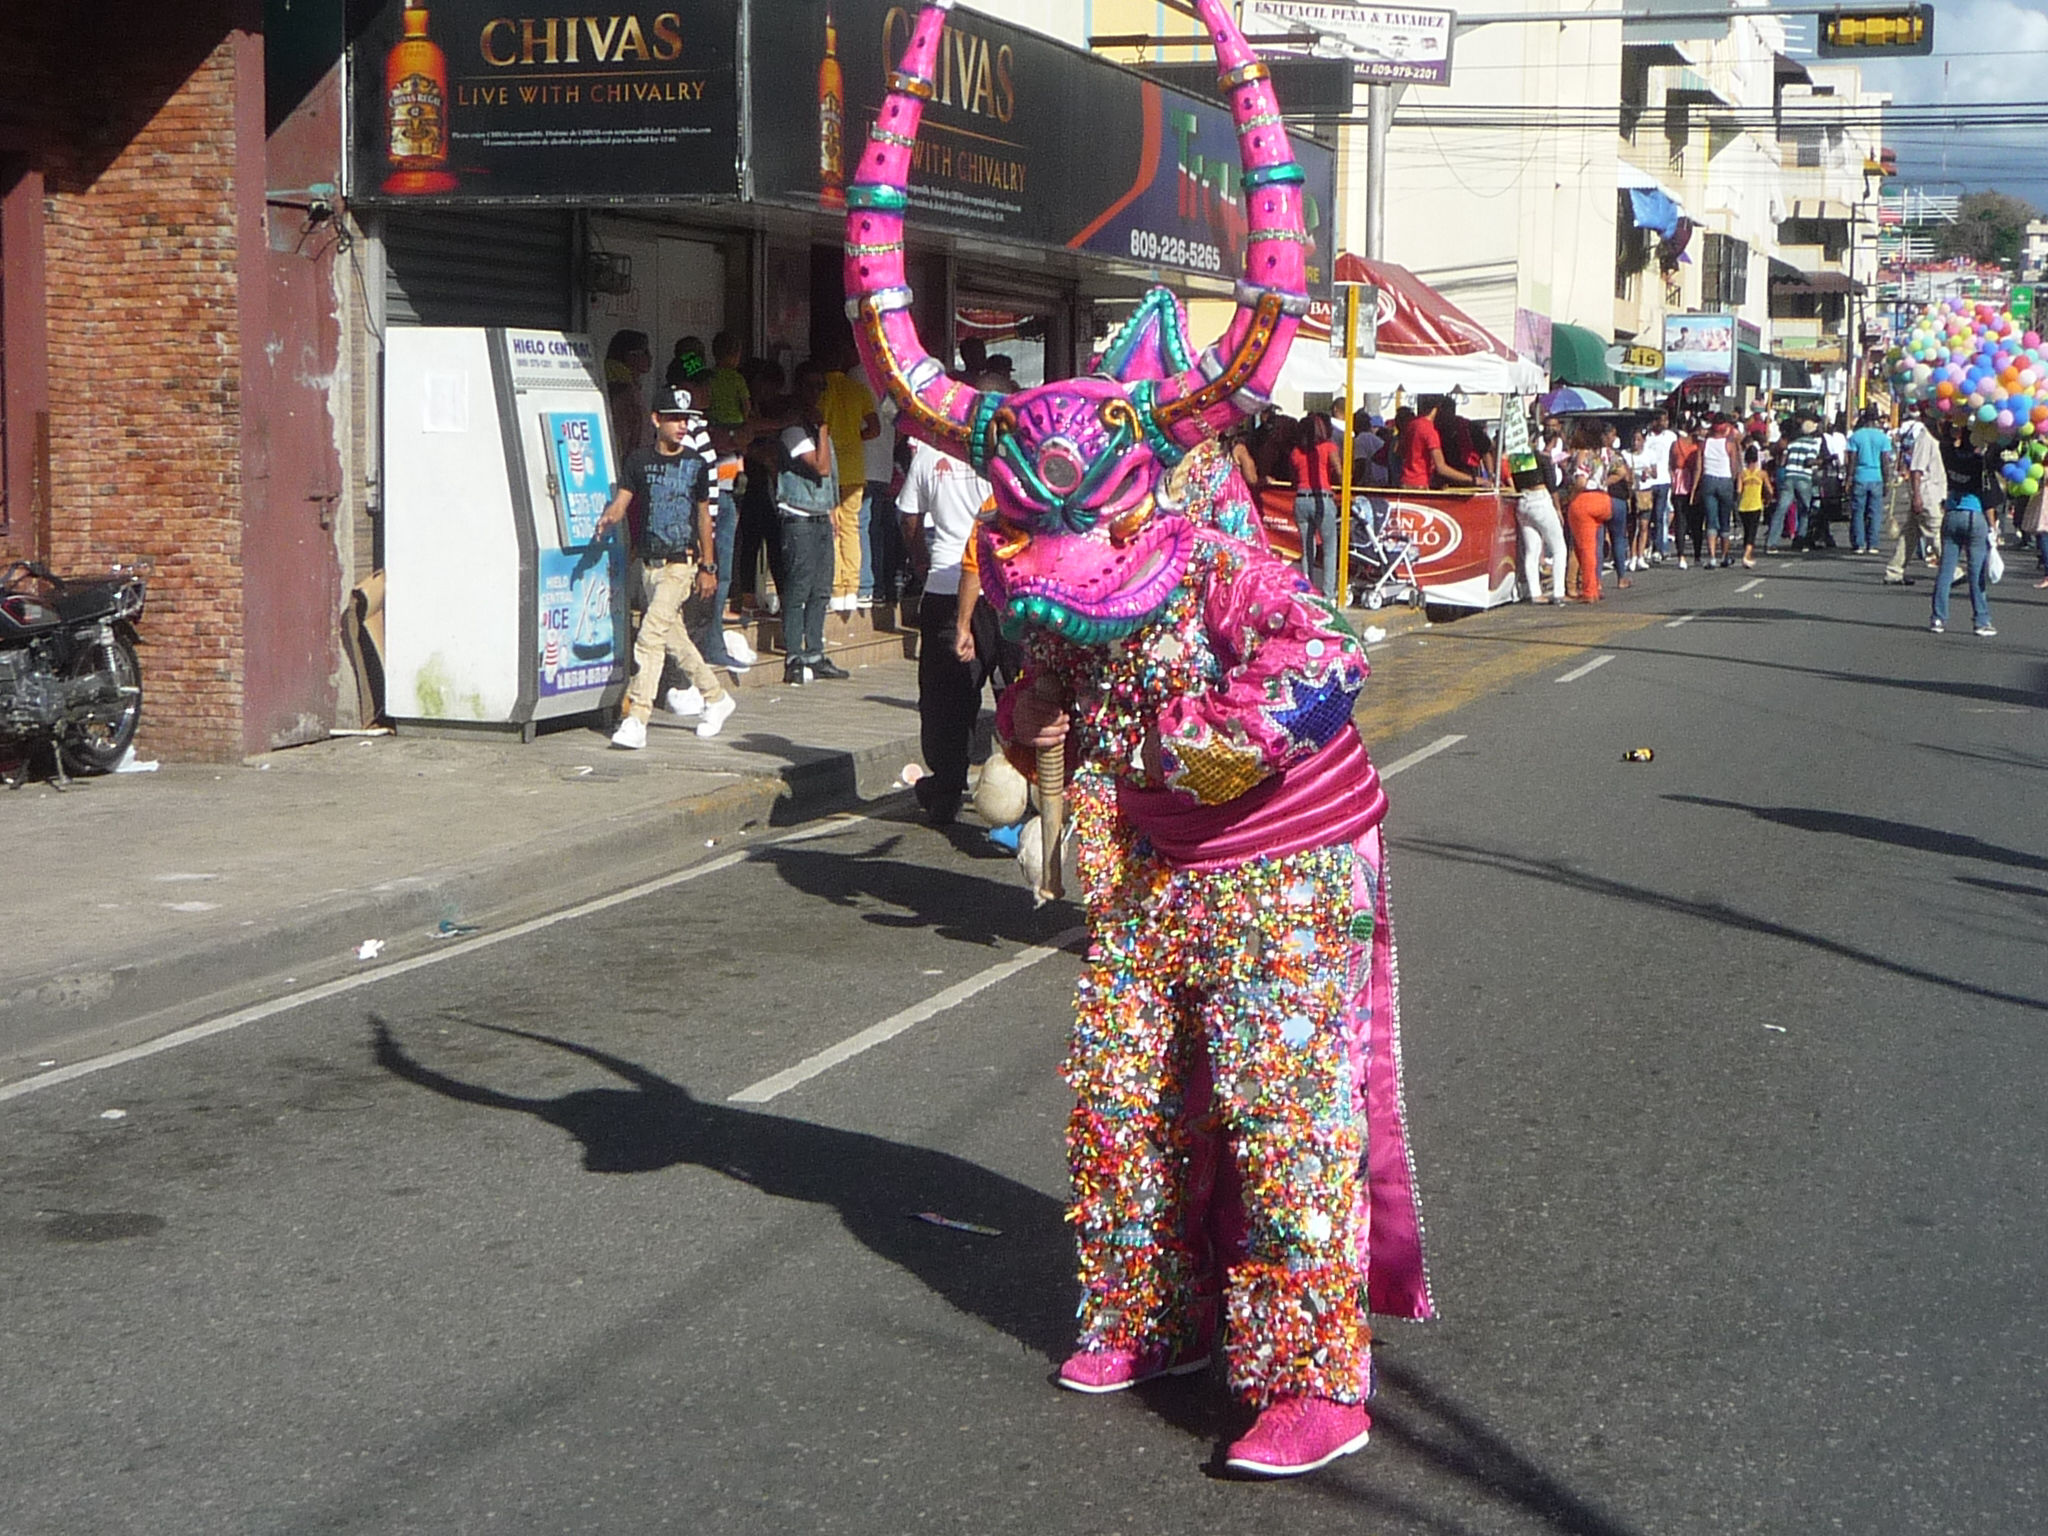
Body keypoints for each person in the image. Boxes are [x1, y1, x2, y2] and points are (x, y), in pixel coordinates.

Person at [597, 383, 736, 749]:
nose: (681, 426)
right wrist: (609, 518)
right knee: (676, 641)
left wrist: (708, 566)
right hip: (648, 565)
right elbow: (623, 501)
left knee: (649, 636)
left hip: (681, 565)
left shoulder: (696, 464)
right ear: (656, 419)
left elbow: (704, 517)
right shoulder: (639, 461)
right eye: (673, 418)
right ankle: (717, 697)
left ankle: (637, 717)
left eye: (685, 420)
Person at [898, 434, 1010, 825]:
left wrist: (920, 561)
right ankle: (1027, 794)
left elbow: (909, 516)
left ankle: (946, 788)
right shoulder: (1010, 455)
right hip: (1004, 593)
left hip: (949, 587)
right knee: (1012, 691)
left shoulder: (929, 455)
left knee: (946, 699)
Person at [775, 364, 849, 683]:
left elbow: (831, 476)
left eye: (822, 388)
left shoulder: (820, 430)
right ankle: (794, 654)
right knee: (799, 587)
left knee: (821, 589)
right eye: (811, 387)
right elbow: (819, 468)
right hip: (799, 518)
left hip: (820, 516)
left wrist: (833, 511)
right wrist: (820, 428)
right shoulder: (795, 430)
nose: (817, 394)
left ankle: (815, 652)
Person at [819, 341, 883, 613]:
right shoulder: (858, 390)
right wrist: (856, 438)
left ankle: (835, 587)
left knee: (831, 527)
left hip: (829, 466)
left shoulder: (821, 390)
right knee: (851, 527)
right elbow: (875, 428)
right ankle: (852, 589)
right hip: (856, 466)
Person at [1886, 407, 1947, 587]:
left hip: (1936, 491)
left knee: (1910, 534)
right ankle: (1951, 570)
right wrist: (1917, 496)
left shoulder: (1939, 439)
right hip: (1927, 492)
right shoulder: (1925, 438)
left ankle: (1894, 571)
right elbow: (1916, 470)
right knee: (1935, 530)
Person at [1563, 419, 1620, 601]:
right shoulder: (1606, 454)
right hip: (1603, 500)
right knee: (1592, 546)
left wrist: (1571, 497)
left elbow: (1580, 481)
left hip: (1584, 500)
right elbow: (1622, 472)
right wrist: (1604, 482)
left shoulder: (1583, 454)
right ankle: (1595, 584)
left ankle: (1589, 591)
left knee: (1585, 549)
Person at [1289, 412, 1343, 600]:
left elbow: (1293, 480)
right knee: (1329, 548)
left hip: (1301, 499)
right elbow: (1339, 472)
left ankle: (1307, 590)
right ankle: (1328, 593)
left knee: (1307, 549)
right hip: (1322, 497)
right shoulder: (1328, 447)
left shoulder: (1296, 452)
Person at [1930, 493, 1996, 637]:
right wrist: (1992, 526)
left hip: (1952, 513)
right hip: (1974, 514)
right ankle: (1981, 621)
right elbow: (1989, 499)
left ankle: (1938, 618)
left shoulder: (1953, 470)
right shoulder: (1980, 473)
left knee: (1946, 570)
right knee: (1976, 572)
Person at [1513, 441, 1566, 603]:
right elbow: (1552, 486)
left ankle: (1535, 592)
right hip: (1540, 500)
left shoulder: (1517, 459)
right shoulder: (1541, 458)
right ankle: (1558, 592)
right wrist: (1557, 509)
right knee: (1559, 548)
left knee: (1532, 550)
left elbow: (1516, 483)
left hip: (1522, 501)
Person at [1844, 408, 1893, 554]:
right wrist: (1886, 481)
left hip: (1860, 476)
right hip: (1876, 477)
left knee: (1858, 511)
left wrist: (1849, 478)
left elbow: (1851, 460)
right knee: (1875, 512)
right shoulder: (1883, 437)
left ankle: (1859, 544)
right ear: (1876, 420)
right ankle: (1873, 544)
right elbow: (1885, 462)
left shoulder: (1855, 436)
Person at [1398, 396, 1475, 489]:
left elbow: (1400, 452)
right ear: (1438, 408)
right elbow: (1441, 468)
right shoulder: (1430, 431)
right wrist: (1472, 479)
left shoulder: (1411, 425)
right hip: (1420, 484)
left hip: (1405, 481)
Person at [1774, 419, 1822, 552]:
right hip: (1803, 478)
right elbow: (1809, 461)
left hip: (1789, 476)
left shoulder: (1793, 443)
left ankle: (1771, 542)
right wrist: (1820, 462)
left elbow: (1783, 461)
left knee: (1781, 509)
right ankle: (1800, 540)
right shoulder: (1813, 444)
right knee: (1804, 510)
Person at [1697, 414, 1738, 568]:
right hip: (1725, 480)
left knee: (1711, 521)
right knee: (1725, 520)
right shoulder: (1729, 444)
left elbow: (1699, 466)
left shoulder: (1705, 443)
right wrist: (1733, 482)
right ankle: (1724, 556)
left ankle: (1712, 557)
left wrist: (1697, 485)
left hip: (1708, 479)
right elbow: (1734, 466)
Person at [1639, 410, 1677, 562]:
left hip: (1663, 480)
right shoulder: (1646, 437)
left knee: (1660, 515)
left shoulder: (1670, 437)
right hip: (1648, 482)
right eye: (1662, 420)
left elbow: (1674, 456)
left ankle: (1659, 548)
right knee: (1646, 517)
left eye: (1666, 420)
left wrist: (1672, 472)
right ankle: (1645, 545)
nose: (1665, 423)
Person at [1670, 417, 1703, 569]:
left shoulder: (1676, 444)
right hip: (1693, 484)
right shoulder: (1698, 447)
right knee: (1696, 521)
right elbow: (1698, 468)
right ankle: (1697, 555)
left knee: (1680, 521)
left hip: (1678, 484)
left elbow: (1671, 465)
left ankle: (1681, 555)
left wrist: (1672, 480)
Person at [1735, 441, 1771, 569]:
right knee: (1752, 533)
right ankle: (1746, 555)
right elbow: (1769, 490)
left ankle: (1748, 556)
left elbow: (1738, 491)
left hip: (1743, 506)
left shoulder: (1742, 474)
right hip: (1756, 505)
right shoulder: (1762, 474)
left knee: (1747, 531)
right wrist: (1767, 499)